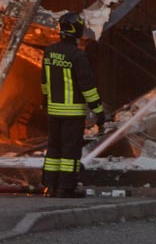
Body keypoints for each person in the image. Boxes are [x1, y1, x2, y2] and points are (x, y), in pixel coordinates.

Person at [40, 11, 106, 198]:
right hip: (73, 113)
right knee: (70, 150)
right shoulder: (78, 56)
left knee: (53, 149)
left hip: (53, 111)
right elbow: (88, 88)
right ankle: (66, 188)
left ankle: (50, 186)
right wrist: (99, 112)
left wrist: (44, 102)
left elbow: (44, 82)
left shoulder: (49, 52)